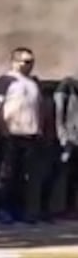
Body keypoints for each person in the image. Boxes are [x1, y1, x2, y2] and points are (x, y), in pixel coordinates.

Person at [0, 47, 50, 223]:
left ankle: (20, 210)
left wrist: (42, 131)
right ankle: (3, 209)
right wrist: (2, 130)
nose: (29, 65)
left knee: (25, 176)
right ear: (15, 62)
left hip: (30, 135)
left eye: (32, 62)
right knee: (6, 174)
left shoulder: (33, 83)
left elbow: (41, 109)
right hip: (11, 134)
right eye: (25, 61)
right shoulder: (5, 81)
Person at [53, 73, 78, 218]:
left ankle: (71, 208)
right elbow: (58, 112)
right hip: (69, 139)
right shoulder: (67, 85)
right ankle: (46, 207)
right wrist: (62, 135)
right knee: (58, 172)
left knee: (74, 177)